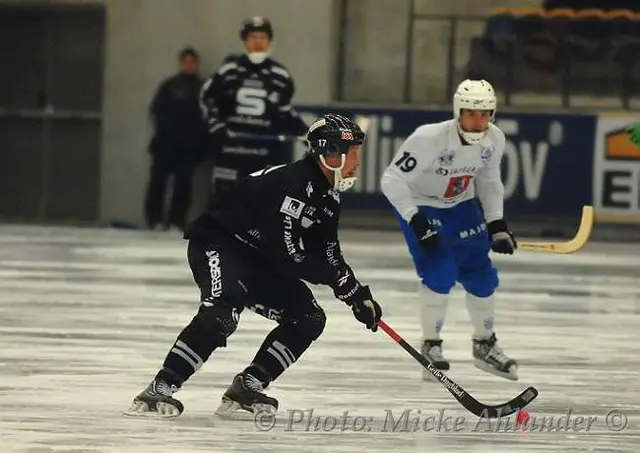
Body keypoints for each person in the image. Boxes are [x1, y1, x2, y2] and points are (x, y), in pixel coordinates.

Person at [125, 114, 382, 418]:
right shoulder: (293, 185)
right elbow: (287, 257)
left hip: (258, 258)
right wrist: (336, 278)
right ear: (331, 153)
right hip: (220, 244)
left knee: (308, 317)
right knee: (222, 312)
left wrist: (356, 294)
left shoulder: (328, 198)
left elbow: (328, 254)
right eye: (353, 154)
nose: (358, 163)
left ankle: (248, 386)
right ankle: (161, 387)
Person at [380, 79, 518, 382]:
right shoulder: (429, 138)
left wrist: (497, 224)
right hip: (421, 205)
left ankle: (485, 344)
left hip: (461, 205)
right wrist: (416, 221)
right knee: (440, 271)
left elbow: (490, 181)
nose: (478, 122)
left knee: (481, 275)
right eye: (471, 113)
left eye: (485, 115)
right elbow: (391, 180)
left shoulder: (494, 139)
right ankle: (430, 345)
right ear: (458, 111)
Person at [199, 17, 308, 196]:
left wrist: (306, 133)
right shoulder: (228, 71)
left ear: (270, 42)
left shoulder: (281, 76)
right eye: (253, 37)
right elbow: (206, 99)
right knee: (226, 206)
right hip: (232, 152)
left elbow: (285, 111)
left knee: (264, 205)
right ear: (244, 40)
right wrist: (216, 127)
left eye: (263, 37)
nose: (258, 42)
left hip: (265, 153)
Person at [145, 47, 205, 231]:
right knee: (158, 182)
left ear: (196, 64)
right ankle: (154, 220)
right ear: (181, 63)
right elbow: (156, 110)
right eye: (185, 62)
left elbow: (206, 117)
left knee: (183, 184)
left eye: (191, 62)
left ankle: (176, 221)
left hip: (188, 146)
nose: (188, 65)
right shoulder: (169, 85)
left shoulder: (202, 88)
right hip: (165, 143)